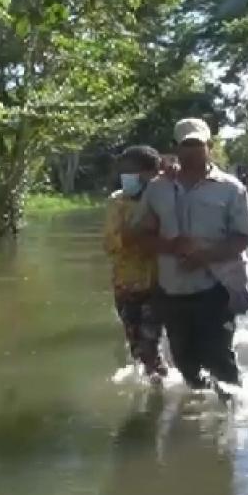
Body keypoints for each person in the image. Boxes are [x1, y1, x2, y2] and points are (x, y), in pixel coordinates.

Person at [135, 118, 248, 390]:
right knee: (184, 362)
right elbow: (140, 235)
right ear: (175, 147)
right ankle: (200, 408)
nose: (192, 151)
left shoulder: (231, 188)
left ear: (209, 146)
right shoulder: (158, 188)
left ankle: (235, 411)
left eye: (197, 144)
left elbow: (245, 235)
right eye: (186, 145)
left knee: (219, 359)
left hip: (217, 286)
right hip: (173, 290)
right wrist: (171, 246)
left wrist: (205, 256)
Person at [103, 146, 168, 380]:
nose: (127, 176)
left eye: (133, 171)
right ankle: (157, 383)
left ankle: (159, 384)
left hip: (158, 285)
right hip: (126, 285)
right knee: (137, 348)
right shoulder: (117, 201)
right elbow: (110, 243)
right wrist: (138, 234)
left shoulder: (166, 198)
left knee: (150, 342)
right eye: (124, 171)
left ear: (152, 173)